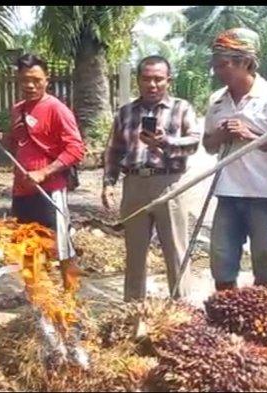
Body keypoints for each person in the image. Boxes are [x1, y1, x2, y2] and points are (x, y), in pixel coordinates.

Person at [103, 55, 201, 301]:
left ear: (169, 80)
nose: (152, 85)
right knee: (134, 253)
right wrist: (108, 183)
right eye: (146, 79)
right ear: (138, 81)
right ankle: (134, 312)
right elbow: (114, 150)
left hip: (169, 183)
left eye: (158, 79)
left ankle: (181, 312)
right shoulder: (125, 113)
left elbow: (194, 142)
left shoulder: (181, 108)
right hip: (134, 184)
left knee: (175, 250)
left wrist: (165, 142)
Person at [202, 28, 267, 291]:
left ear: (246, 62)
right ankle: (225, 323)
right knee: (222, 264)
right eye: (216, 64)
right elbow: (208, 146)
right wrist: (220, 134)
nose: (218, 70)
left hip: (266, 194)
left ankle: (262, 324)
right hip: (227, 192)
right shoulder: (217, 101)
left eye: (225, 64)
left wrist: (251, 135)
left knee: (265, 268)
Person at [0, 53, 84, 273]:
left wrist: (44, 172)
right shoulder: (18, 109)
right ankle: (33, 298)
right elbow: (18, 141)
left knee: (62, 247)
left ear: (47, 79)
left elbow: (76, 149)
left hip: (50, 190)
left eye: (36, 80)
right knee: (26, 245)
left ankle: (71, 300)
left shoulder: (57, 109)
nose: (30, 85)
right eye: (25, 79)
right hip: (21, 190)